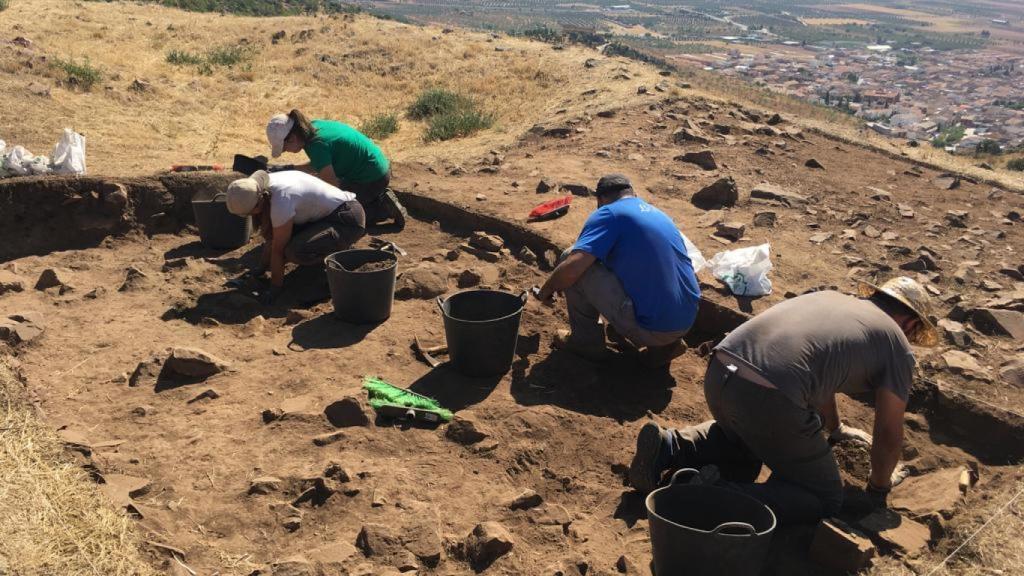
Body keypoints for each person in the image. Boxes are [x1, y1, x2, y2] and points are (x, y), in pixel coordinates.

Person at [627, 277, 939, 525]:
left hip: (722, 370)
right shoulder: (896, 344)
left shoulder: (835, 300)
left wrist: (836, 429)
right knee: (824, 497)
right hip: (769, 395)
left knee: (749, 445)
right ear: (911, 324)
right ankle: (706, 494)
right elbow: (887, 432)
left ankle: (671, 446)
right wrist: (878, 488)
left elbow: (816, 372)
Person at [535, 174, 701, 367]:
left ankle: (585, 343)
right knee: (605, 259)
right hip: (686, 320)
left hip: (652, 328)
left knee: (571, 258)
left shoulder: (609, 213)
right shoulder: (658, 214)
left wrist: (546, 290)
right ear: (633, 193)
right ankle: (666, 347)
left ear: (600, 200)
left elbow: (573, 267)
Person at [226, 170, 365, 304]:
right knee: (285, 243)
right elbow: (272, 238)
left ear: (258, 203)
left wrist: (274, 288)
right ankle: (330, 246)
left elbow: (277, 250)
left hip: (347, 220)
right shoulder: (261, 188)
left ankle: (337, 267)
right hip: (322, 217)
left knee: (294, 251)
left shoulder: (281, 200)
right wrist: (260, 268)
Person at [265, 109, 407, 228]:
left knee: (339, 217)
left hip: (372, 178)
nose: (286, 152)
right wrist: (290, 168)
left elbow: (333, 191)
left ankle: (383, 208)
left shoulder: (316, 145)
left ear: (292, 138)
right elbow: (320, 163)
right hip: (377, 167)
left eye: (284, 148)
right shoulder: (313, 128)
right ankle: (375, 198)